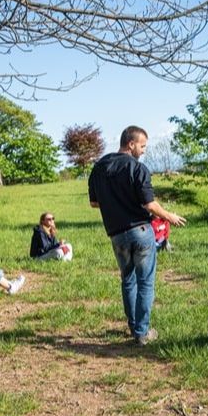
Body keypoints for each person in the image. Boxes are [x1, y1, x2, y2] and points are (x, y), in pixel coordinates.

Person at [88, 125, 186, 346]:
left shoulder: (99, 168)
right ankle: (142, 333)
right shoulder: (137, 168)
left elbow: (94, 203)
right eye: (142, 146)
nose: (143, 151)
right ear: (131, 144)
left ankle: (134, 326)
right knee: (145, 282)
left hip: (116, 234)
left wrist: (115, 203)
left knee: (128, 280)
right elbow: (150, 204)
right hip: (140, 231)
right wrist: (169, 216)